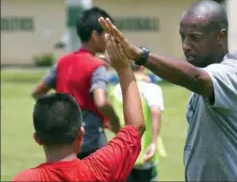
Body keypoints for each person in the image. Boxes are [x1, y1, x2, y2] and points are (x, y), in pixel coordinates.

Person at [98, 0, 237, 182]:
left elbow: (196, 78)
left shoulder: (234, 75)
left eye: (195, 37)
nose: (186, 45)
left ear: (221, 37)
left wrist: (141, 56)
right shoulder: (205, 79)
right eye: (183, 37)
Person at [12, 37, 146, 181]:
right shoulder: (100, 169)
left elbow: (37, 91)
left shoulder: (24, 178)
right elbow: (136, 127)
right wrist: (124, 69)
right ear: (80, 134)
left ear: (37, 139)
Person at [31, 7, 121, 159]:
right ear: (95, 35)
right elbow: (101, 102)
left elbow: (38, 92)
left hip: (64, 143)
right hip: (90, 141)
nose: (110, 38)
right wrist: (115, 120)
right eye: (108, 33)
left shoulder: (62, 62)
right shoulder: (97, 65)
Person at [111, 63, 166, 182]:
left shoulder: (117, 89)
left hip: (123, 152)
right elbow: (155, 111)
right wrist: (153, 142)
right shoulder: (151, 88)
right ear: (143, 67)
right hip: (144, 151)